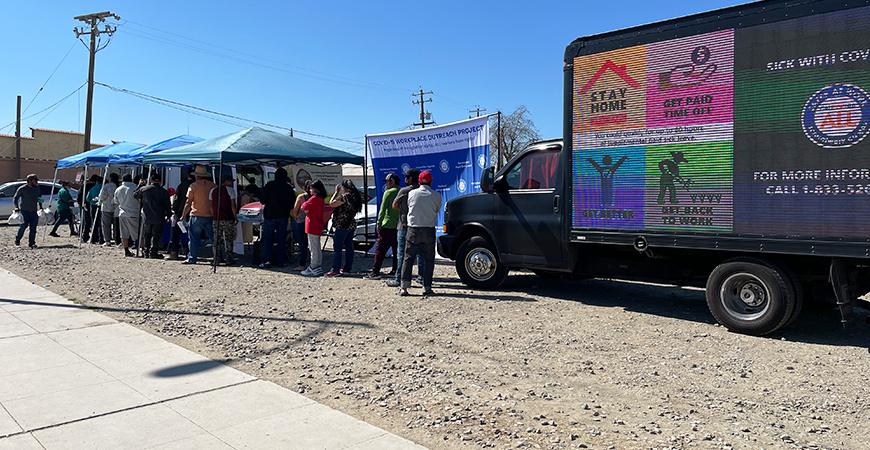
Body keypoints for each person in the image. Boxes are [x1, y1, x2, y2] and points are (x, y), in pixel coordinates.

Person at [398, 170, 442, 296]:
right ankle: (426, 287)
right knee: (428, 260)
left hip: (413, 229)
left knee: (408, 258)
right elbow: (437, 210)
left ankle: (404, 287)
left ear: (418, 181)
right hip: (428, 229)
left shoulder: (411, 193)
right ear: (431, 181)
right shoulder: (436, 195)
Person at [387, 168, 425, 288]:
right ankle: (421, 277)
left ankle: (399, 279)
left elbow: (394, 205)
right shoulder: (421, 190)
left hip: (404, 226)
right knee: (420, 253)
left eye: (406, 177)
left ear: (409, 179)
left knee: (402, 254)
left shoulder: (404, 190)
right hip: (419, 225)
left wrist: (405, 210)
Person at [364, 173, 400, 279]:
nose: (386, 184)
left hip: (387, 225)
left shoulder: (388, 193)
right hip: (399, 226)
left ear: (392, 182)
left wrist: (378, 224)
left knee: (380, 250)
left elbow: (382, 209)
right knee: (397, 250)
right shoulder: (402, 192)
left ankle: (375, 272)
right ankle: (395, 270)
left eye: (387, 182)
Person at [325, 180, 363, 277]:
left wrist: (335, 193)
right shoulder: (355, 197)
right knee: (349, 247)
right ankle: (347, 268)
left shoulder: (345, 197)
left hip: (342, 225)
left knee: (337, 247)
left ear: (344, 187)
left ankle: (335, 268)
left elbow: (332, 204)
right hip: (351, 224)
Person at [258, 168, 294, 268]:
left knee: (267, 239)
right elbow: (292, 203)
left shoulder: (269, 186)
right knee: (281, 240)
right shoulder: (288, 188)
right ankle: (280, 261)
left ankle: (267, 260)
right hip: (283, 216)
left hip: (270, 215)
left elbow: (262, 200)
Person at [181, 166, 216, 264]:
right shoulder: (213, 185)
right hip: (210, 215)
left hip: (196, 214)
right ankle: (218, 256)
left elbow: (188, 202)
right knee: (213, 238)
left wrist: (184, 215)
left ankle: (192, 258)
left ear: (196, 176)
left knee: (193, 238)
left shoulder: (193, 186)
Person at [134, 172, 172, 259]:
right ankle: (153, 252)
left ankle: (146, 251)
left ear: (151, 180)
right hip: (159, 216)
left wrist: (139, 185)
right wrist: (169, 215)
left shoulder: (144, 189)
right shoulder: (164, 192)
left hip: (147, 216)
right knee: (156, 235)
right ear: (161, 181)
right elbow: (167, 204)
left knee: (147, 234)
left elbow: (135, 195)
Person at [301, 180, 327, 276]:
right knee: (317, 247)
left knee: (313, 248)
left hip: (312, 225)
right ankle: (317, 266)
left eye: (311, 188)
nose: (310, 190)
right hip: (317, 225)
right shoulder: (321, 199)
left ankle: (313, 266)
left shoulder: (314, 198)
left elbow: (304, 206)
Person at [212, 174, 238, 265]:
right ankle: (229, 259)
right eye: (230, 181)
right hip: (228, 218)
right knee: (229, 240)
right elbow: (233, 206)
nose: (232, 183)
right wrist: (235, 217)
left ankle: (216, 259)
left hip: (216, 219)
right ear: (226, 182)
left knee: (216, 240)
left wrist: (214, 215)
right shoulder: (230, 190)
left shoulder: (213, 191)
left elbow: (211, 206)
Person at [13, 174, 43, 248]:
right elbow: (15, 198)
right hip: (24, 211)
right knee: (23, 226)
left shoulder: (37, 188)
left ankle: (31, 242)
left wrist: (41, 206)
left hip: (33, 211)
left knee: (33, 228)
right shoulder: (23, 189)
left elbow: (39, 197)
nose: (36, 182)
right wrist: (16, 207)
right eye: (34, 180)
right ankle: (18, 238)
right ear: (29, 181)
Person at [113, 174, 140, 257]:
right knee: (138, 234)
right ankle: (142, 249)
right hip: (134, 213)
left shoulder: (118, 189)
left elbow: (116, 201)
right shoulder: (136, 188)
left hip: (122, 213)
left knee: (124, 233)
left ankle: (126, 250)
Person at [291, 180, 312, 271]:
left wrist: (296, 218)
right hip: (311, 222)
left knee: (302, 244)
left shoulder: (301, 197)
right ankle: (311, 263)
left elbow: (295, 211)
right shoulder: (314, 197)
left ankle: (302, 264)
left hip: (301, 222)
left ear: (303, 188)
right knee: (312, 243)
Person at [98, 173, 119, 246]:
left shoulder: (106, 186)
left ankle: (107, 240)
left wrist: (99, 199)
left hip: (106, 207)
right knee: (116, 225)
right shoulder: (118, 186)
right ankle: (117, 240)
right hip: (116, 207)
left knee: (106, 225)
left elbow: (102, 196)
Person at [84, 175, 103, 243]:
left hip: (93, 206)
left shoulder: (92, 189)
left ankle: (94, 238)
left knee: (94, 222)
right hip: (102, 206)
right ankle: (101, 238)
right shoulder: (103, 188)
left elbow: (88, 198)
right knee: (101, 222)